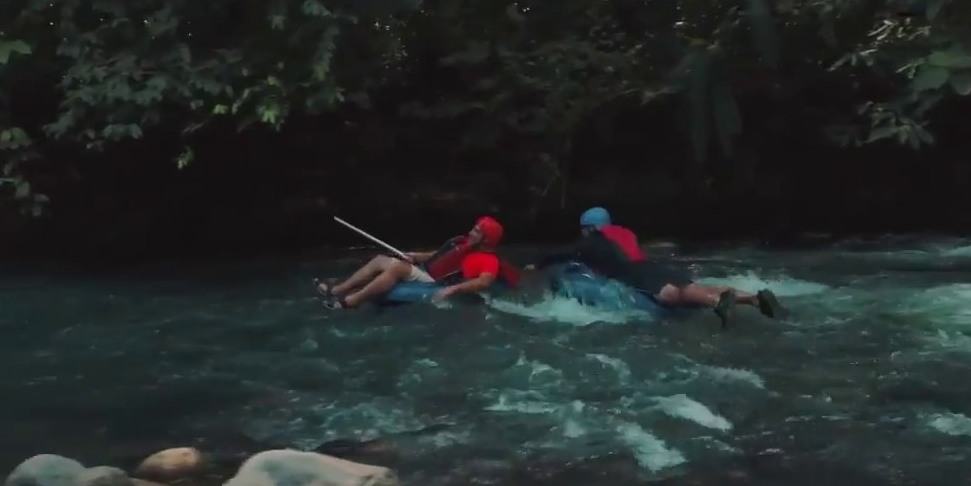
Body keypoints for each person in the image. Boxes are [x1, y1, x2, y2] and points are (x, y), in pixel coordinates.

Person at [530, 207, 779, 326]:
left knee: (670, 295)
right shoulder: (625, 232)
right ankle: (753, 299)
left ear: (590, 228)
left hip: (636, 274)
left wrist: (537, 264)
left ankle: (717, 304)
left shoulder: (592, 240)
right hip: (654, 266)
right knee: (696, 286)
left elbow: (564, 254)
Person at [315, 216, 514, 308]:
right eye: (474, 228)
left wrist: (453, 290)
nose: (472, 232)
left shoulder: (488, 259)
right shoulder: (462, 242)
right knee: (380, 259)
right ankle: (337, 290)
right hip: (425, 271)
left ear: (487, 239)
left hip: (434, 283)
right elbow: (437, 255)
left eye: (477, 231)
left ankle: (353, 301)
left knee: (395, 268)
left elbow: (484, 282)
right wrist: (414, 256)